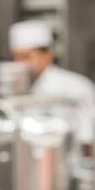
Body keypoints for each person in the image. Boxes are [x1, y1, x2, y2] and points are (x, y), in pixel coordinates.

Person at [9, 20, 95, 156]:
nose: (20, 64)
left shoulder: (76, 88)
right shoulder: (14, 90)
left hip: (69, 170)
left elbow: (88, 141)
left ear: (47, 55)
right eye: (16, 57)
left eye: (26, 57)